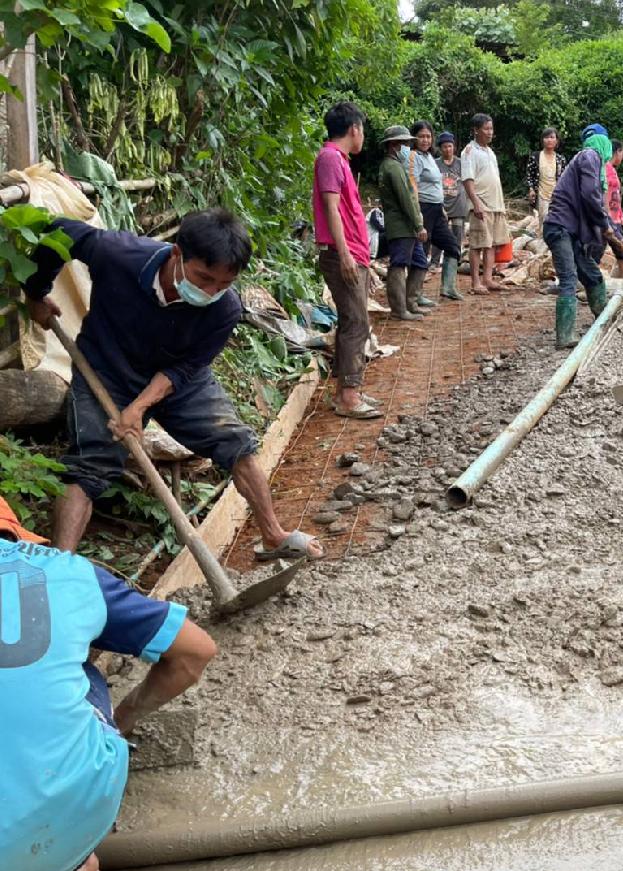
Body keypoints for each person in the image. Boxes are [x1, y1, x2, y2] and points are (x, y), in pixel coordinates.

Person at [23, 210, 327, 560]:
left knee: (235, 443)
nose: (210, 291)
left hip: (180, 380)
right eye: (203, 278)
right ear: (177, 254)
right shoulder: (118, 254)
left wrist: (138, 407)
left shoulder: (225, 309)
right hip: (106, 372)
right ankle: (59, 568)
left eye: (223, 284)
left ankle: (274, 536)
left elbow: (185, 369)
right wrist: (36, 293)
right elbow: (58, 233)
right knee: (89, 465)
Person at [0, 496, 216, 871]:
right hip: (70, 822)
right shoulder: (64, 573)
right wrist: (122, 718)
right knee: (81, 676)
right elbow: (195, 651)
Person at [312, 101, 380, 418]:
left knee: (351, 321)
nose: (362, 136)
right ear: (354, 129)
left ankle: (346, 391)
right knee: (357, 322)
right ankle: (349, 397)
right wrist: (345, 255)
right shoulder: (329, 158)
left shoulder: (339, 160)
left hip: (352, 252)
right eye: (362, 129)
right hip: (344, 253)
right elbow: (331, 208)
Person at [543, 123, 623, 350]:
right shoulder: (590, 156)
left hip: (571, 231)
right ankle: (565, 336)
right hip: (560, 227)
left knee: (591, 273)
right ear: (603, 142)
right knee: (569, 278)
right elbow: (590, 196)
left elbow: (599, 205)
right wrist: (605, 226)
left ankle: (604, 318)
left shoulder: (593, 162)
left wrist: (616, 234)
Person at [378, 124, 431, 325]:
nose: (408, 147)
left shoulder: (391, 166)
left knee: (420, 262)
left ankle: (411, 303)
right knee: (399, 265)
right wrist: (419, 225)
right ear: (394, 145)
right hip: (401, 226)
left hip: (404, 226)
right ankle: (399, 309)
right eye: (405, 144)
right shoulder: (393, 168)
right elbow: (406, 199)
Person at [411, 121, 465, 302]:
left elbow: (435, 185)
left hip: (437, 210)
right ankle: (416, 294)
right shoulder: (414, 157)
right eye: (421, 136)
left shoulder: (428, 157)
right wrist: (417, 214)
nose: (425, 140)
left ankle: (448, 288)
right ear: (414, 138)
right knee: (421, 250)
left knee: (452, 246)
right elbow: (413, 186)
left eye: (428, 136)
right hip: (424, 208)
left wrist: (441, 207)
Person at [461, 113, 510, 295]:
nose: (490, 132)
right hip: (481, 203)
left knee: (492, 244)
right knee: (477, 244)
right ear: (476, 130)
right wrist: (476, 203)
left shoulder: (490, 152)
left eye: (491, 128)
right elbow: (467, 179)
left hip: (495, 204)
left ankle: (487, 279)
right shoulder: (469, 151)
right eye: (486, 129)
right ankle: (475, 282)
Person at [433, 131, 469, 274]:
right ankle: (434, 261)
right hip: (440, 204)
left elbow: (468, 181)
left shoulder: (461, 163)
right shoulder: (435, 164)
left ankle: (455, 260)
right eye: (445, 147)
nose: (448, 149)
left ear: (454, 147)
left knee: (457, 233)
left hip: (458, 204)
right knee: (438, 234)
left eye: (450, 146)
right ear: (440, 148)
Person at [525, 127, 566, 230]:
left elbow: (564, 179)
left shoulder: (560, 159)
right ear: (542, 140)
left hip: (556, 196)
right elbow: (530, 175)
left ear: (557, 141)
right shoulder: (535, 156)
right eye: (546, 137)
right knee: (543, 221)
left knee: (555, 221)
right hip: (541, 195)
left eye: (552, 137)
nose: (549, 140)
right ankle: (541, 238)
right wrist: (531, 189)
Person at [606, 139, 623, 279]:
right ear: (618, 151)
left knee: (621, 251)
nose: (622, 156)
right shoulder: (605, 168)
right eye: (622, 152)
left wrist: (620, 215)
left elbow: (616, 196)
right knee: (619, 248)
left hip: (615, 217)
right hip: (607, 216)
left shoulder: (612, 170)